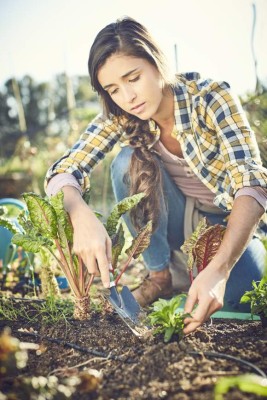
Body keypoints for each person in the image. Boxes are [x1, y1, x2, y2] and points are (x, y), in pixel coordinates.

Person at [44, 16, 267, 334]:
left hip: (229, 225)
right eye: (113, 89)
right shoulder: (121, 114)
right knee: (126, 163)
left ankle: (197, 273)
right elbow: (63, 170)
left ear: (157, 62)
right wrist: (80, 214)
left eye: (133, 78)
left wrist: (219, 269)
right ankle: (161, 275)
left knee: (240, 301)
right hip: (180, 221)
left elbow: (253, 184)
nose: (127, 97)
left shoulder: (210, 98)